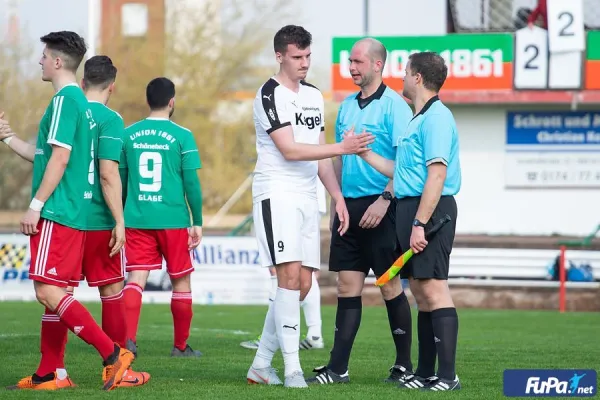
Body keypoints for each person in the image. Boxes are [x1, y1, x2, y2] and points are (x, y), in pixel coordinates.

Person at [0, 55, 149, 389]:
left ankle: (53, 371)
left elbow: (45, 155)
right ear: (112, 85)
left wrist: (8, 138)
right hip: (98, 220)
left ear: (82, 82)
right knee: (110, 291)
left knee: (58, 290)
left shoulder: (72, 107)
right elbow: (109, 173)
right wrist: (120, 220)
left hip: (67, 216)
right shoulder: (109, 118)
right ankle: (117, 368)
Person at [245, 25, 374, 388]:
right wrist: (342, 148)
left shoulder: (314, 96)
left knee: (302, 285)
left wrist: (337, 197)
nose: (304, 63)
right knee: (287, 280)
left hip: (307, 197)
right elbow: (290, 149)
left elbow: (318, 156)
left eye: (308, 56)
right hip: (276, 192)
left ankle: (259, 365)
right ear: (280, 56)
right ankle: (292, 369)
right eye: (297, 57)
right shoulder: (268, 95)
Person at [350, 51, 462, 391]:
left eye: (405, 72)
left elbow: (437, 175)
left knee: (434, 288)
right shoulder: (418, 117)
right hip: (411, 207)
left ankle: (447, 377)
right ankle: (426, 373)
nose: (400, 78)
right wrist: (366, 154)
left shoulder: (438, 117)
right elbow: (402, 173)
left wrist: (419, 223)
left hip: (430, 210)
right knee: (421, 291)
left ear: (417, 78)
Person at [307, 38, 414, 386]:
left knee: (389, 286)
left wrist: (385, 200)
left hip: (384, 206)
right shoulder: (347, 106)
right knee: (346, 287)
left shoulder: (396, 107)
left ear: (377, 65)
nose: (351, 67)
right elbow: (338, 158)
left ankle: (403, 365)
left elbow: (407, 164)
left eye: (357, 62)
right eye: (349, 62)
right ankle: (338, 369)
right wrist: (337, 200)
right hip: (349, 209)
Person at [120, 77, 204, 358]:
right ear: (172, 101)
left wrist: (120, 216)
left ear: (148, 101)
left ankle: (128, 342)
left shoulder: (128, 135)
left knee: (135, 278)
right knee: (180, 281)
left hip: (136, 219)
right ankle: (180, 347)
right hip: (173, 220)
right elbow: (191, 183)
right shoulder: (183, 136)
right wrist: (198, 221)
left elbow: (120, 179)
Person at [240, 178, 326, 351]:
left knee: (281, 271)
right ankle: (314, 333)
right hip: (309, 196)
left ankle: (272, 336)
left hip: (287, 195)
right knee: (305, 272)